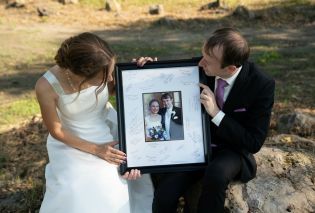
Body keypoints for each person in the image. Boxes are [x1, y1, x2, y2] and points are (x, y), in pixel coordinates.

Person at [137, 27, 275, 213]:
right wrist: (147, 68)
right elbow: (165, 79)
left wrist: (217, 113)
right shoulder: (199, 67)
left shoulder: (261, 84)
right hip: (194, 147)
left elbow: (253, 142)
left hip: (231, 150)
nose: (200, 63)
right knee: (165, 195)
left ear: (231, 68)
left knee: (216, 176)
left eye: (208, 61)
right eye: (202, 55)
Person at [35, 32, 153, 213]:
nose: (111, 79)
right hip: (70, 140)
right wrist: (97, 150)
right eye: (107, 77)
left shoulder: (104, 69)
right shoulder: (45, 86)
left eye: (112, 73)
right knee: (78, 187)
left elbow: (118, 89)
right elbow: (56, 131)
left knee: (117, 178)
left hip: (107, 128)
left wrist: (140, 70)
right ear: (83, 76)